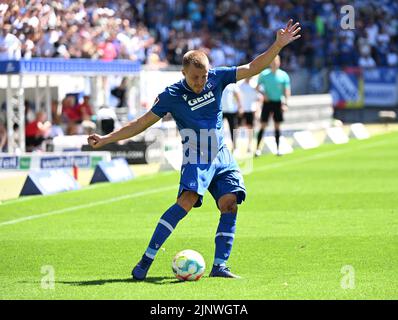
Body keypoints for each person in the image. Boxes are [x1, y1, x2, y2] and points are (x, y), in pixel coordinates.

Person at [88, 20, 301, 280]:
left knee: (230, 203)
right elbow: (141, 123)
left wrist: (277, 45)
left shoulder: (217, 77)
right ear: (183, 74)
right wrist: (107, 138)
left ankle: (220, 266)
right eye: (195, 78)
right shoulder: (171, 95)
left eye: (203, 77)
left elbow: (253, 67)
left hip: (221, 153)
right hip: (196, 156)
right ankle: (146, 259)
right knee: (185, 203)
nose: (200, 82)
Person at [255, 55, 291, 156]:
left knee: (277, 126)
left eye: (276, 61)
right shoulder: (264, 74)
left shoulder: (283, 75)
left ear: (279, 62)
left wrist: (286, 103)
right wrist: (263, 94)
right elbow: (258, 87)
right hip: (267, 102)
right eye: (273, 61)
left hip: (278, 102)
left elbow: (287, 91)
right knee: (263, 125)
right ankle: (257, 149)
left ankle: (278, 148)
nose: (274, 63)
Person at [238, 77, 262, 154]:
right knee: (237, 127)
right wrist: (239, 107)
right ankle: (236, 147)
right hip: (242, 109)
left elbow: (259, 98)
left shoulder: (254, 84)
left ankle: (249, 146)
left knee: (250, 129)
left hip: (251, 109)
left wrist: (258, 109)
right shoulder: (240, 85)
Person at [221, 83, 242, 154]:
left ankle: (235, 147)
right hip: (220, 111)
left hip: (231, 110)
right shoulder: (218, 82)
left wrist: (240, 107)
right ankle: (220, 148)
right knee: (219, 130)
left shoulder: (232, 84)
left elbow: (238, 95)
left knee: (233, 129)